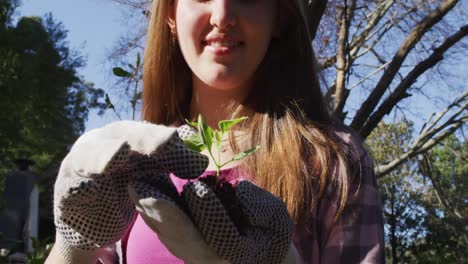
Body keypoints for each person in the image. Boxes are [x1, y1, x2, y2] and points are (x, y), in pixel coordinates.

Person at [46, 0, 385, 263]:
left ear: (279, 16)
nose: (223, 15)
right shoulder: (131, 158)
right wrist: (72, 246)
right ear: (171, 15)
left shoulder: (334, 160)